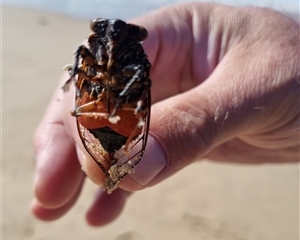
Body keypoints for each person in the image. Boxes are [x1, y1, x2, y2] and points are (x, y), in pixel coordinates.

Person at [32, 3, 300, 226]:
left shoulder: (138, 61)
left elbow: (141, 82)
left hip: (126, 110)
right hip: (96, 108)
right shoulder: (89, 52)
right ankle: (106, 147)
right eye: (102, 30)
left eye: (127, 35)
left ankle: (116, 149)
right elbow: (81, 64)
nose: (112, 36)